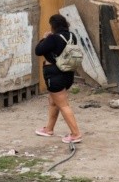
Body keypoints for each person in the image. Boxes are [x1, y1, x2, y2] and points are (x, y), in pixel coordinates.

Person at [34, 13, 83, 144]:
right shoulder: (71, 36)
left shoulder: (53, 38)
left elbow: (38, 51)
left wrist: (44, 38)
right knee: (53, 101)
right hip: (68, 74)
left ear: (53, 26)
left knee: (63, 105)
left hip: (55, 75)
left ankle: (76, 134)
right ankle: (49, 129)